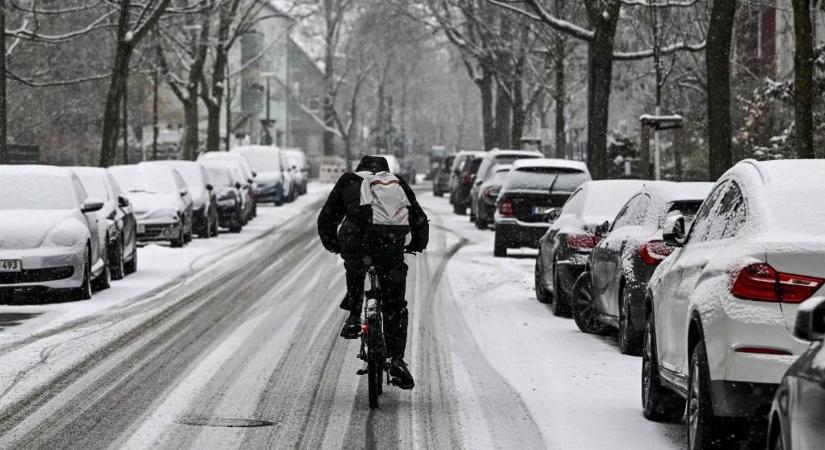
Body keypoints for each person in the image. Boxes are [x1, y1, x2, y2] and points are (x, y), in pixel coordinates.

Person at [317, 155, 429, 390]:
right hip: (390, 246)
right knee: (395, 304)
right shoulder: (396, 183)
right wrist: (416, 244)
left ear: (360, 169)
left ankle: (354, 316)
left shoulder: (349, 181)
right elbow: (418, 218)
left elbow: (326, 218)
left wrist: (334, 245)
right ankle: (396, 359)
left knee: (355, 267)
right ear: (385, 171)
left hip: (357, 244)